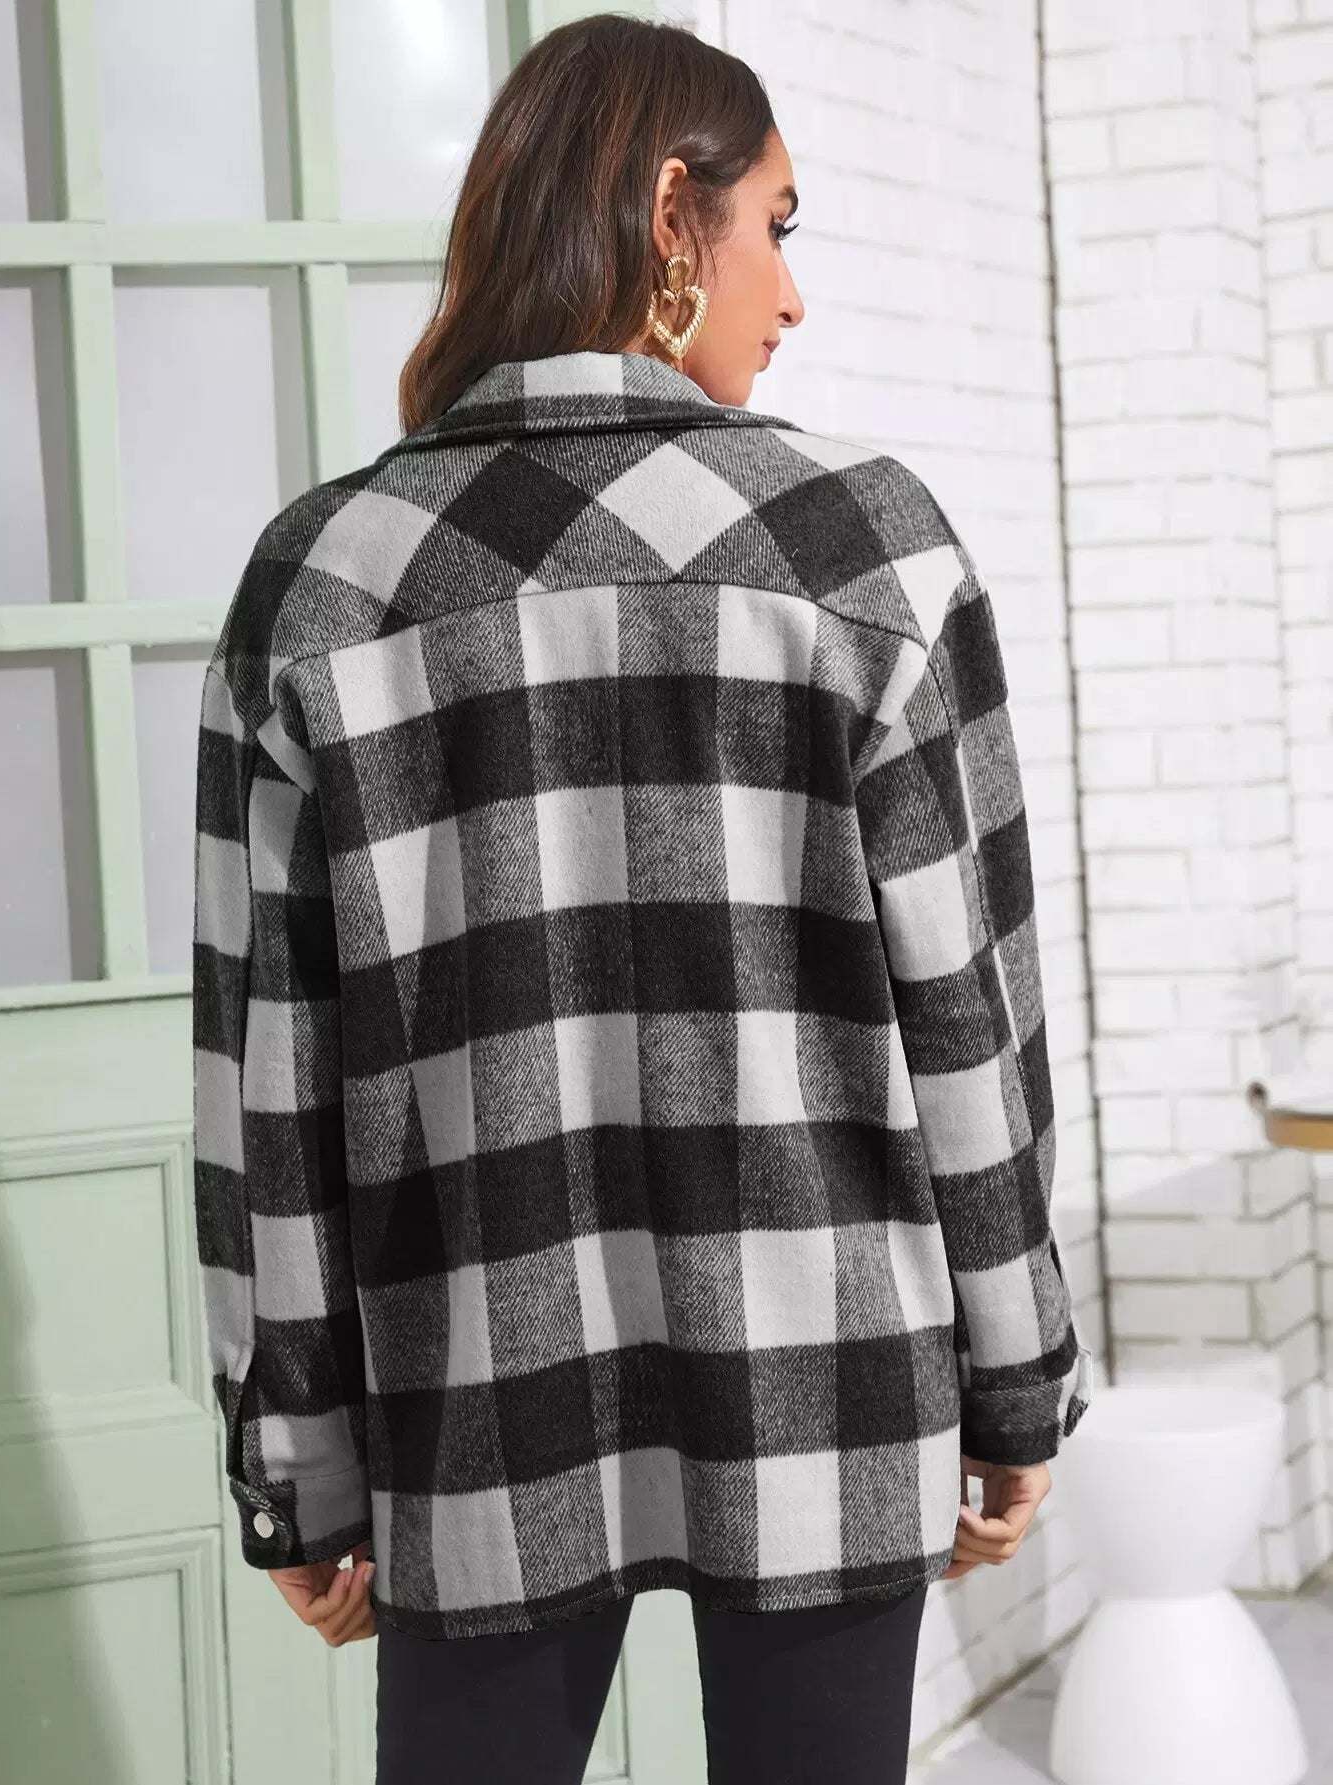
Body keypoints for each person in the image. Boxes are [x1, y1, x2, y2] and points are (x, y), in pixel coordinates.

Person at [190, 13, 1093, 1783]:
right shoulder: (871, 551)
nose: (794, 294)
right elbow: (973, 1019)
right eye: (779, 226)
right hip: (832, 1383)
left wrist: (297, 1459)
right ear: (674, 218)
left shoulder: (322, 582)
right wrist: (1018, 1373)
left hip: (478, 1398)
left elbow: (263, 1083)